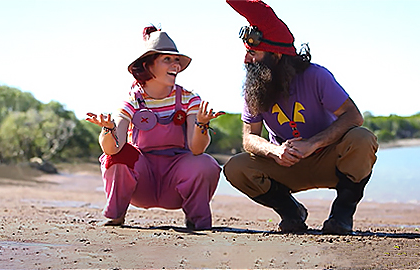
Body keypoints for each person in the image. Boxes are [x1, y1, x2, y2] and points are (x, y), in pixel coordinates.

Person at [223, 0, 378, 234]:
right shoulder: (254, 89)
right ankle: (291, 212)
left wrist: (312, 144)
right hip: (285, 164)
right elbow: (249, 138)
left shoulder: (316, 76)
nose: (246, 60)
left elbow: (353, 116)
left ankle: (341, 216)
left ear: (275, 54)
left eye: (252, 53)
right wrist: (276, 152)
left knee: (362, 139)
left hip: (329, 160)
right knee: (235, 167)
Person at [86, 26, 224, 230]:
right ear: (147, 65)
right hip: (142, 183)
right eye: (167, 59)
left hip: (176, 180)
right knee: (118, 157)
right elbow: (113, 149)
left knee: (206, 164)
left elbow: (197, 149)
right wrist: (108, 130)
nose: (175, 65)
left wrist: (202, 125)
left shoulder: (189, 99)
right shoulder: (131, 101)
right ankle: (115, 216)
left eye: (176, 60)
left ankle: (197, 220)